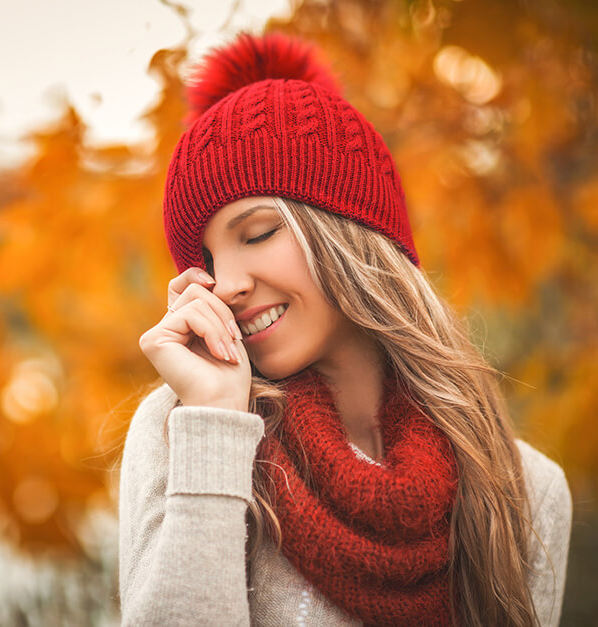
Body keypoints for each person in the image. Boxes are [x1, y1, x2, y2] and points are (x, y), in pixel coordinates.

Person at [119, 32, 572, 627]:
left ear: (348, 232)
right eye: (205, 265)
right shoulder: (185, 429)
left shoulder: (524, 491)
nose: (225, 284)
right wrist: (216, 424)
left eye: (256, 234)